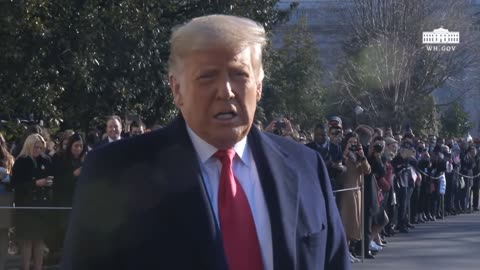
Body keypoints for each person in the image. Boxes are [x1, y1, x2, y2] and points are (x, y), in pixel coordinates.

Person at [61, 15, 350, 270]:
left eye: (239, 75)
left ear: (259, 86)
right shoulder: (115, 172)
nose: (225, 91)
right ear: (177, 89)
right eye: (207, 76)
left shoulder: (306, 166)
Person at [11, 134, 53, 270]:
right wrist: (34, 183)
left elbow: (52, 176)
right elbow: (15, 185)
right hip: (26, 205)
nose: (39, 150)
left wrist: (49, 182)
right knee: (27, 241)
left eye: (41, 148)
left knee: (39, 240)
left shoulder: (46, 160)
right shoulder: (21, 161)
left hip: (42, 205)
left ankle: (38, 267)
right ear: (29, 146)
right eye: (36, 147)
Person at [0, 139, 14, 270]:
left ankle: (2, 264)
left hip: (4, 198)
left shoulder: (9, 159)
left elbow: (13, 180)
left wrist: (6, 177)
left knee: (3, 233)